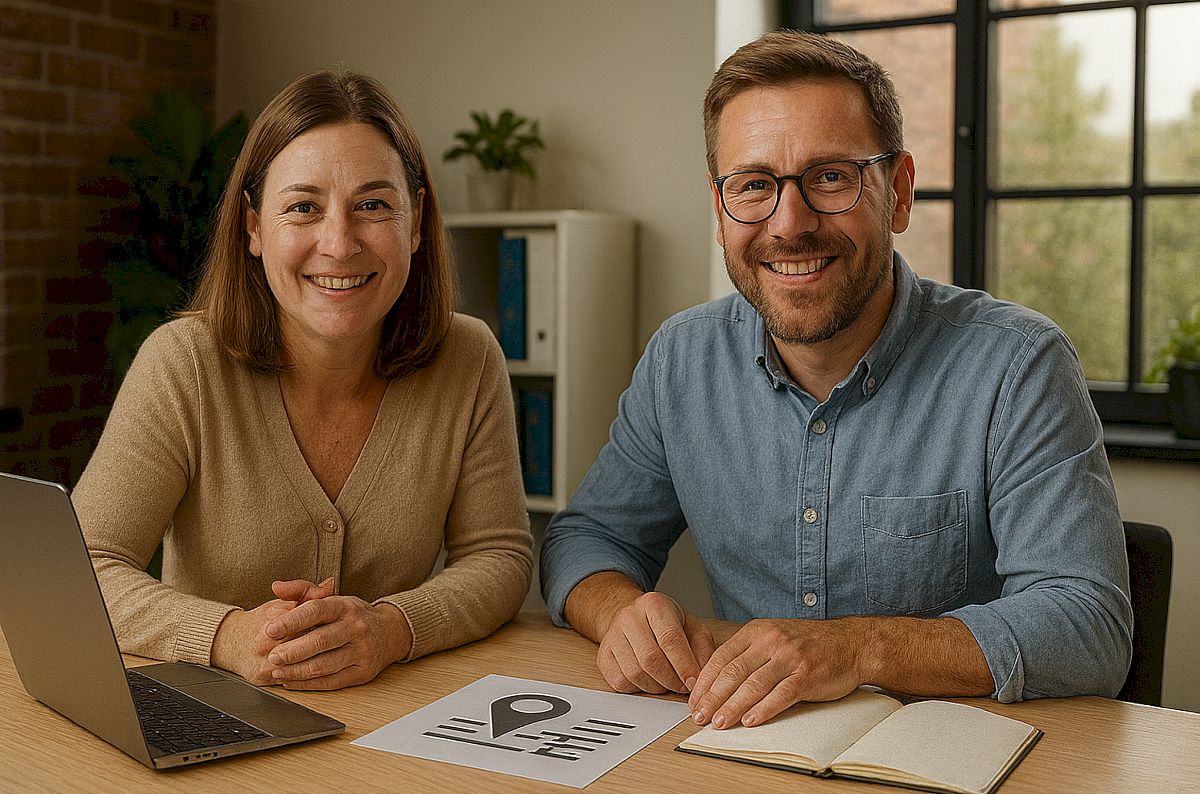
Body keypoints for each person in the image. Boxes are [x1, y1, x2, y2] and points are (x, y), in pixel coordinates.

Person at [540, 31, 1132, 730]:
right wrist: (620, 610)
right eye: (754, 185)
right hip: (745, 751)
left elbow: (1088, 624)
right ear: (719, 204)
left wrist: (859, 647)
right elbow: (584, 539)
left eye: (830, 178)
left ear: (899, 193)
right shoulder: (681, 360)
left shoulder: (1017, 366)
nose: (789, 225)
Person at [75, 70, 533, 690]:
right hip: (212, 727)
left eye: (373, 205)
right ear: (255, 227)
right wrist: (228, 636)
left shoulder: (468, 357)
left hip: (395, 727)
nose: (339, 244)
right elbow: (81, 569)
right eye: (303, 208)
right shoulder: (182, 365)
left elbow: (499, 558)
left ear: (417, 221)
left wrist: (392, 627)